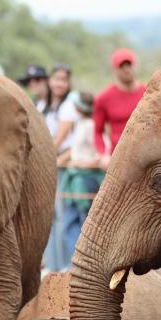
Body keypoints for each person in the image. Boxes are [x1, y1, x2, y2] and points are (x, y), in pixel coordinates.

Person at [31, 64, 78, 273]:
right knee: (48, 217)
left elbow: (58, 141)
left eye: (64, 80)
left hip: (61, 165)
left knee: (61, 217)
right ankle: (51, 264)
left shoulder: (68, 106)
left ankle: (65, 266)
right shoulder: (44, 105)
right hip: (46, 163)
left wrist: (42, 158)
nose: (60, 83)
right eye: (57, 79)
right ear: (50, 81)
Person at [60, 92, 104, 257]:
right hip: (75, 178)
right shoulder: (82, 124)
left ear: (78, 107)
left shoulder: (91, 126)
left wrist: (81, 164)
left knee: (84, 223)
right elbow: (76, 150)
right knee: (71, 223)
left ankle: (84, 259)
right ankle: (77, 259)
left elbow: (100, 154)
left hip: (86, 179)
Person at [93, 48, 147, 166]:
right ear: (114, 70)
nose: (126, 69)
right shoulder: (103, 98)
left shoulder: (149, 93)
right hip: (117, 160)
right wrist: (103, 155)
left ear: (135, 66)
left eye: (129, 65)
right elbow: (97, 132)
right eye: (122, 66)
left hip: (146, 158)